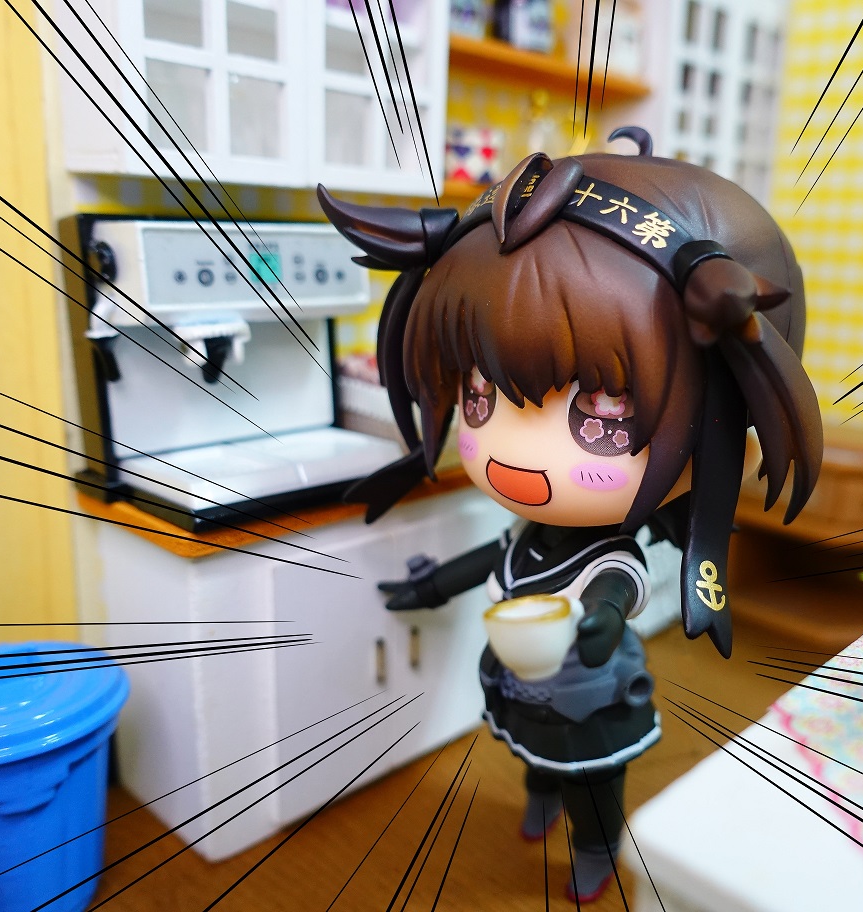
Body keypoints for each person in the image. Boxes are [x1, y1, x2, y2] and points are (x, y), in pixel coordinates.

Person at [317, 126, 822, 902]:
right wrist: (430, 587)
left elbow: (613, 590)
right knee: (533, 756)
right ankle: (541, 797)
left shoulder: (608, 555)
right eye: (480, 396)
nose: (514, 454)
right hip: (525, 692)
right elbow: (491, 563)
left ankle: (595, 841)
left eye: (602, 413)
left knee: (591, 779)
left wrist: (603, 625)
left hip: (591, 700)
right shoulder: (527, 537)